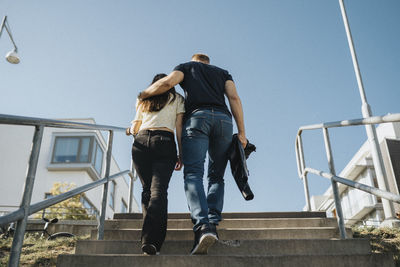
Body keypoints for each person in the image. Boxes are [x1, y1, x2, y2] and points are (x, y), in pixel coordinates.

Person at [138, 53, 246, 255]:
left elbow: (167, 83)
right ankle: (213, 222)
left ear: (194, 60)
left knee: (193, 173)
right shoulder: (223, 73)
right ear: (208, 62)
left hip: (197, 119)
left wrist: (143, 94)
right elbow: (234, 98)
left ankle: (202, 227)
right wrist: (242, 133)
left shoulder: (187, 67)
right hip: (224, 121)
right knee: (216, 176)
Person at [127, 73, 185, 255]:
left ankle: (147, 239)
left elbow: (135, 128)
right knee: (158, 191)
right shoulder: (177, 98)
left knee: (146, 191)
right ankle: (152, 241)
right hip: (164, 141)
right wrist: (181, 153)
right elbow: (179, 128)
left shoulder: (144, 101)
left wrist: (129, 130)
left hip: (141, 142)